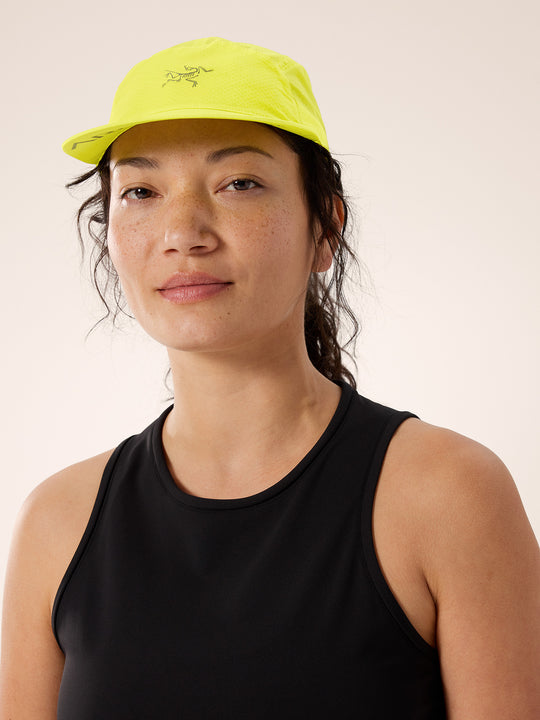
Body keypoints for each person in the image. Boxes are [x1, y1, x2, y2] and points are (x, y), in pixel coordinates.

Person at [0, 37, 538, 719]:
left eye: (239, 184)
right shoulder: (57, 523)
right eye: (141, 191)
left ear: (326, 228)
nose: (182, 232)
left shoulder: (450, 495)